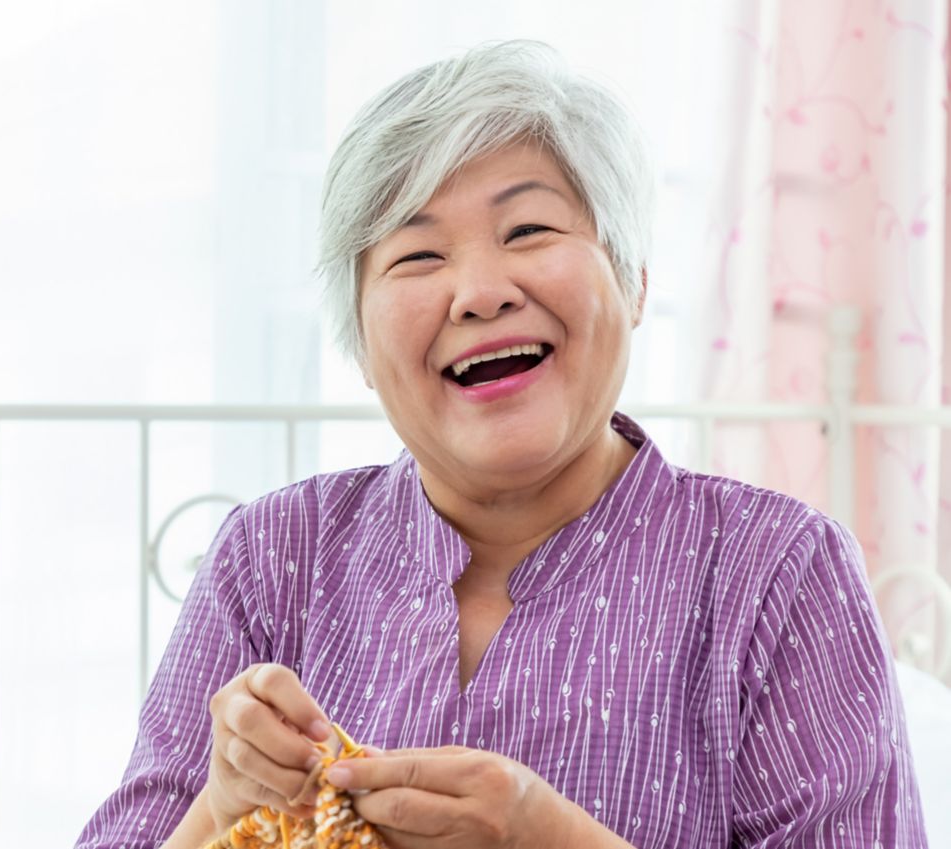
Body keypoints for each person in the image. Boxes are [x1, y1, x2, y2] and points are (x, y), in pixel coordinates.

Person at [75, 40, 928, 848]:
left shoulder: (777, 570)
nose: (479, 293)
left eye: (528, 232)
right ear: (360, 349)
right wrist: (225, 806)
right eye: (415, 255)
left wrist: (546, 835)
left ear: (632, 283)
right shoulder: (270, 555)